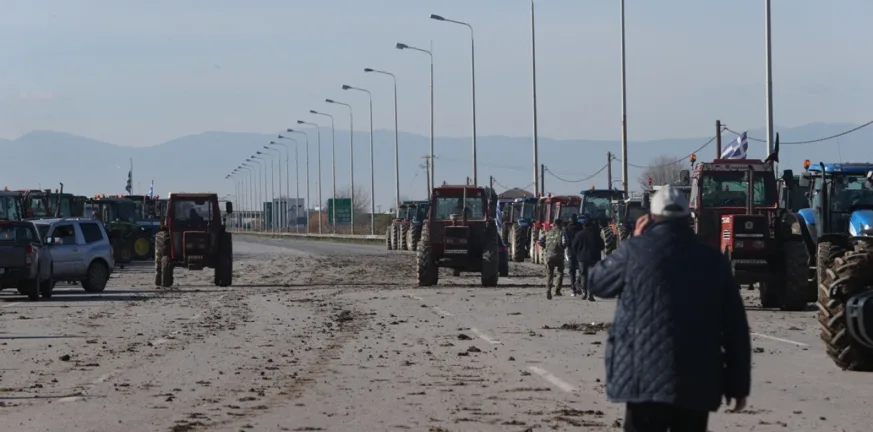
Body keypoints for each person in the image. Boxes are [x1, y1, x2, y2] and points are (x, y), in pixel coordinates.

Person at [585, 185, 751, 432]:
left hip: (642, 380)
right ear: (687, 218)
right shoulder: (713, 260)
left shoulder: (635, 251)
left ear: (651, 217)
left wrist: (632, 243)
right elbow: (735, 329)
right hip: (697, 382)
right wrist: (738, 385)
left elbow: (597, 282)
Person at [572, 217, 604, 301]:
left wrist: (578, 254)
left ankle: (584, 292)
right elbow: (602, 246)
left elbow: (574, 246)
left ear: (583, 226)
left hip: (582, 258)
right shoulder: (596, 234)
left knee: (583, 275)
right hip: (594, 257)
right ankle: (591, 293)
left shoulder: (579, 234)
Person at [538, 218, 566, 300]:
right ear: (560, 224)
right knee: (560, 272)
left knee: (549, 273)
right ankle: (557, 290)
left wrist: (546, 248)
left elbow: (540, 242)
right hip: (559, 256)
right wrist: (561, 248)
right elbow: (565, 243)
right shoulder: (562, 233)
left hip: (549, 256)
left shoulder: (548, 232)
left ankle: (548, 289)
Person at [563, 213, 585, 296]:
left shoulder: (566, 228)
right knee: (581, 270)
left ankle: (573, 289)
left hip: (570, 251)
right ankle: (578, 283)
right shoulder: (580, 227)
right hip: (579, 251)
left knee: (572, 271)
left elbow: (565, 241)